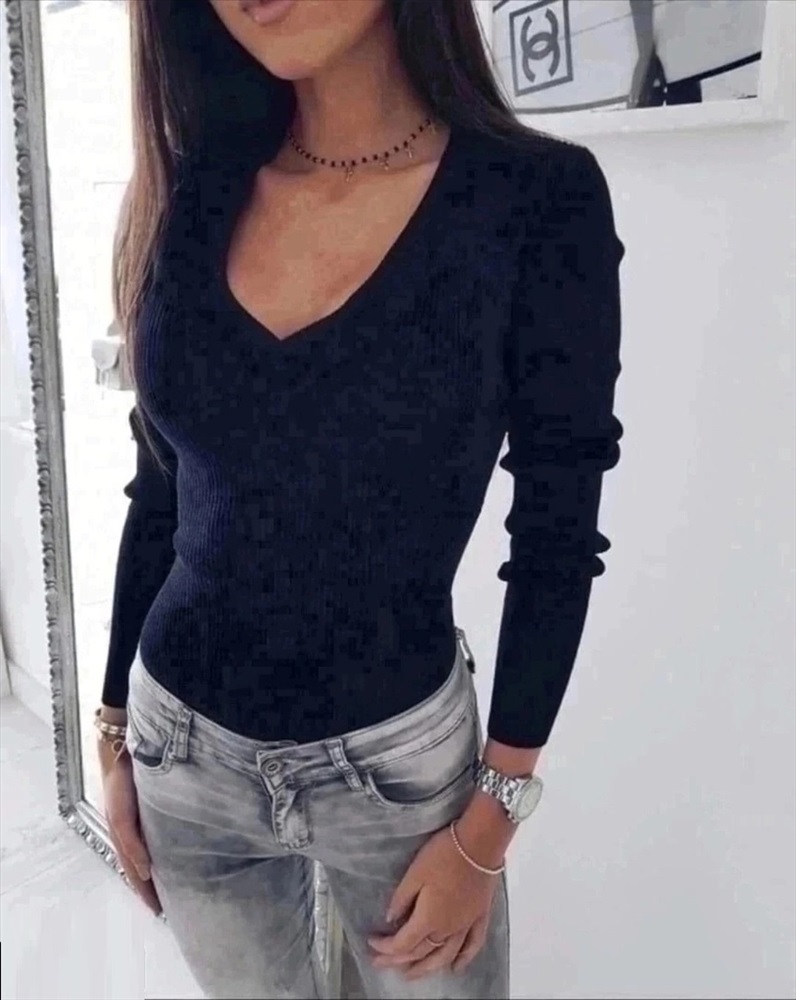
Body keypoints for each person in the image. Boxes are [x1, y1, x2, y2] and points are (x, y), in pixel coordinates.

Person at [94, 1, 625, 997]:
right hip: (182, 752)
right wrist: (116, 726)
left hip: (399, 771)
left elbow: (557, 529)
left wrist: (491, 822)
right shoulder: (195, 186)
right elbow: (162, 481)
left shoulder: (534, 200)